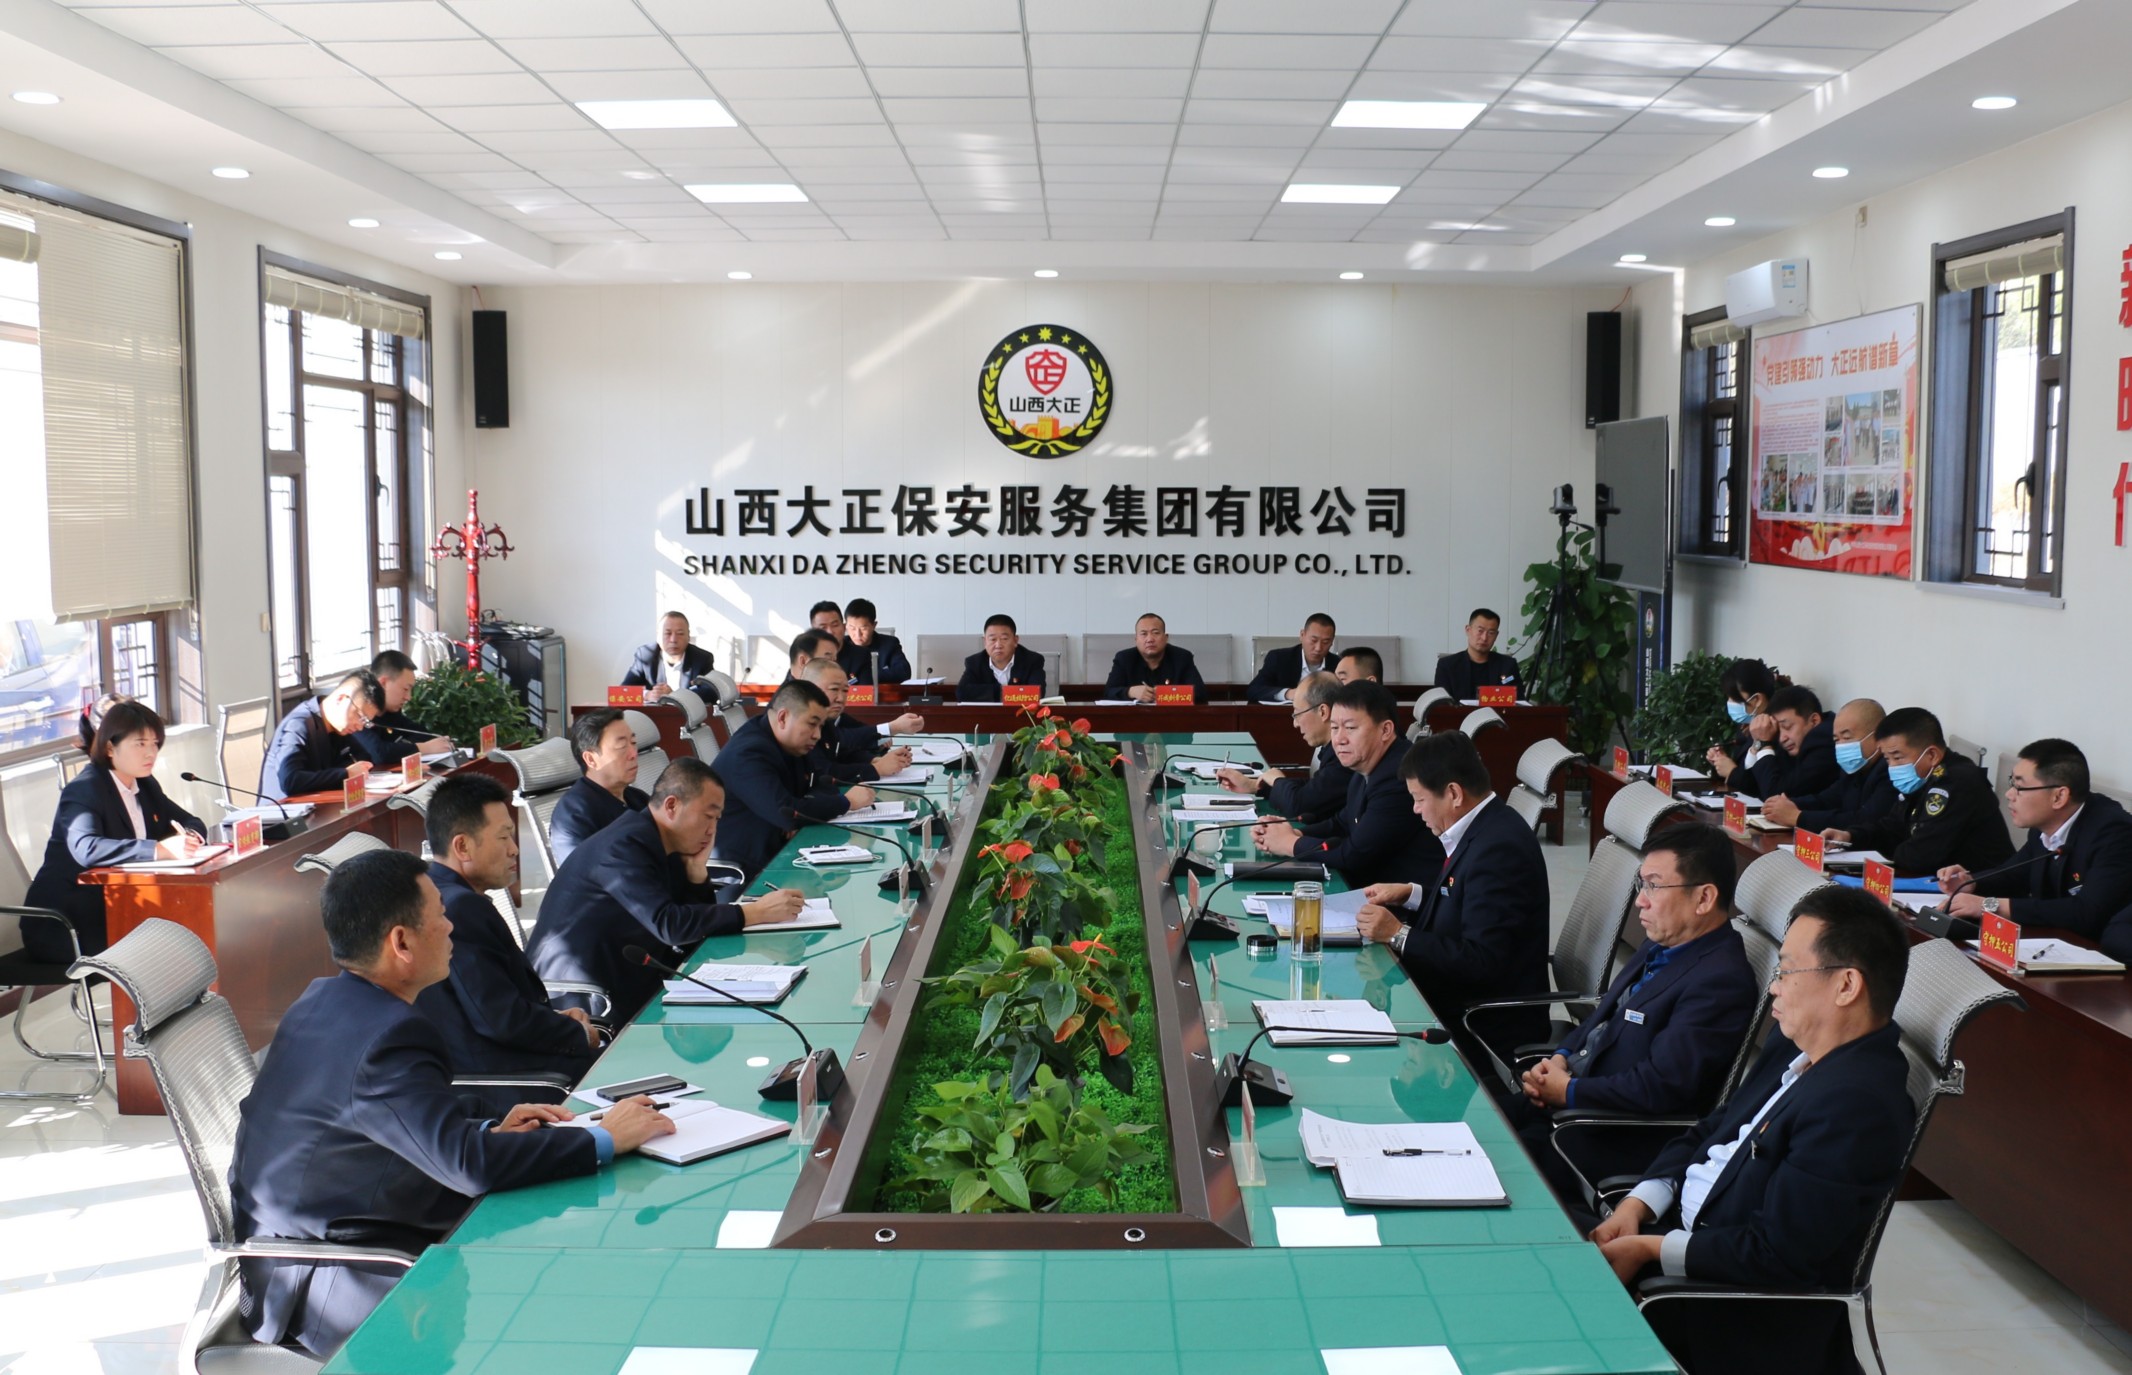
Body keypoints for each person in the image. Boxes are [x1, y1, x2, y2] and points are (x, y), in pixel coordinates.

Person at [228, 849, 674, 1359]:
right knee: (534, 1310)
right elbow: (468, 1168)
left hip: (341, 1225)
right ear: (401, 942)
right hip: (331, 1272)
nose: (450, 927)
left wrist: (485, 1129)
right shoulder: (388, 1034)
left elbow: (396, 1119)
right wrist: (605, 1138)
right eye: (440, 915)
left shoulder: (324, 1000)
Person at [1590, 886, 1914, 1374]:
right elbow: (1711, 1130)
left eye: (1786, 971)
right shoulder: (1795, 1044)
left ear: (1847, 986)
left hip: (1721, 1310)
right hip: (1677, 1239)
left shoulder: (1859, 1106)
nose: (1774, 988)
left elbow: (1776, 1255)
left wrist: (1648, 1248)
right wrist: (1638, 1204)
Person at [1518, 827, 1758, 1203]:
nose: (1639, 902)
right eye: (1641, 884)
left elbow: (1660, 1086)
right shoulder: (1662, 943)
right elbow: (1602, 1018)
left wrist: (1569, 1091)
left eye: (1654, 886)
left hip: (1611, 1133)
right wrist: (1561, 1057)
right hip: (1576, 1100)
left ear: (1704, 898)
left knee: (1499, 1161)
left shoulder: (1720, 981)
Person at [529, 757, 804, 1021]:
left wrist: (696, 872)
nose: (712, 830)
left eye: (717, 819)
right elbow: (670, 925)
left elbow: (689, 934)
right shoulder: (624, 846)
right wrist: (754, 913)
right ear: (671, 805)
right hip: (586, 993)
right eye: (708, 816)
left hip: (635, 972)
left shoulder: (661, 839)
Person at [1351, 731, 1548, 1049]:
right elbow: (1469, 904)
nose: (1415, 810)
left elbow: (1482, 961)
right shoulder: (1486, 825)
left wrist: (1398, 935)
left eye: (1419, 799)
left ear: (1454, 793)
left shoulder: (1499, 850)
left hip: (1482, 1021)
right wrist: (1411, 893)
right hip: (1454, 996)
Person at [413, 773, 600, 1084]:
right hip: (511, 1079)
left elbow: (490, 1003)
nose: (514, 849)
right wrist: (575, 1032)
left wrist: (554, 1018)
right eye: (503, 838)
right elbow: (498, 1020)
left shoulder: (438, 892)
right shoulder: (459, 908)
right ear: (462, 846)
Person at [23, 700, 206, 961]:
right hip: (67, 924)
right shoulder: (84, 789)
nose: (151, 753)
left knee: (191, 926)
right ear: (110, 747)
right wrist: (159, 850)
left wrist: (189, 838)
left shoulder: (146, 785)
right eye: (140, 744)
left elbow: (190, 820)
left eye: (155, 744)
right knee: (174, 939)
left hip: (121, 907)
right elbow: (87, 848)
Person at [1250, 681, 1441, 888]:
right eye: (1334, 728)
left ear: (1385, 730)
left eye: (1350, 728)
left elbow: (1354, 855)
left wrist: (1289, 843)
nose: (1339, 739)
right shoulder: (1365, 765)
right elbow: (1342, 823)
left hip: (1401, 899)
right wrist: (1295, 833)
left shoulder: (1400, 776)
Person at [1936, 738, 2132, 939]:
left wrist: (1989, 905)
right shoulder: (2045, 824)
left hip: (2099, 949)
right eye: (2012, 782)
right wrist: (1971, 882)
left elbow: (2087, 912)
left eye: (2019, 787)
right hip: (2054, 940)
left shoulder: (2115, 834)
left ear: (2058, 797)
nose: (2009, 794)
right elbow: (2015, 874)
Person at [711, 679, 875, 879]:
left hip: (782, 849)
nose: (817, 735)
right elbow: (787, 813)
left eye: (821, 726)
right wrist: (846, 802)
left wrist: (799, 817)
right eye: (812, 724)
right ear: (782, 718)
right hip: (747, 865)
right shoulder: (748, 753)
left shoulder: (789, 743)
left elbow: (819, 784)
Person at [1828, 707, 2014, 875]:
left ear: (1932, 755)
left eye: (1897, 757)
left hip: (1982, 889)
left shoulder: (1957, 783)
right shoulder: (1921, 776)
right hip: (1940, 882)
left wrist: (1889, 852)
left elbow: (1920, 856)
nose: (1892, 766)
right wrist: (1850, 836)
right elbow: (1892, 827)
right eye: (1887, 758)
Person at [1217, 672, 1348, 823]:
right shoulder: (1331, 750)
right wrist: (1254, 786)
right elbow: (1312, 789)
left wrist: (1278, 781)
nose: (1295, 724)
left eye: (1298, 714)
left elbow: (1299, 805)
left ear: (1323, 712)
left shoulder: (1345, 754)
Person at [1760, 698, 1896, 834]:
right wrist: (1787, 804)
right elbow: (1826, 800)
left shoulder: (1890, 771)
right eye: (1836, 740)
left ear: (1878, 737)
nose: (1841, 745)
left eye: (1847, 738)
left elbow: (1864, 820)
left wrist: (1797, 817)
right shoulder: (1853, 768)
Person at [548, 708, 647, 867]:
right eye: (622, 745)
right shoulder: (574, 815)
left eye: (633, 743)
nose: (634, 753)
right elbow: (585, 875)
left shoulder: (638, 798)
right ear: (591, 759)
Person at [261, 671, 381, 800]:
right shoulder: (299, 724)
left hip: (320, 804)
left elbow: (363, 758)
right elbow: (291, 780)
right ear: (341, 699)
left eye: (365, 722)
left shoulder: (338, 727)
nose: (360, 727)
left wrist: (349, 770)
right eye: (360, 716)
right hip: (285, 809)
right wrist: (345, 774)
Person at [798, 657, 914, 784]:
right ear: (810, 688)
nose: (841, 698)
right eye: (834, 689)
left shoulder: (825, 720)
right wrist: (877, 769)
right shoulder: (800, 724)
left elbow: (841, 753)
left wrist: (876, 761)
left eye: (845, 690)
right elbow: (824, 771)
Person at [1730, 685, 1839, 801]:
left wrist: (1763, 743)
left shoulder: (1824, 742)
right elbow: (1749, 787)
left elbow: (1775, 796)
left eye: (1787, 727)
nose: (1782, 738)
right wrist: (1756, 746)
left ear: (1814, 721)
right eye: (1778, 730)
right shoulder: (1790, 740)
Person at [352, 649, 455, 768]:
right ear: (383, 683)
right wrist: (423, 748)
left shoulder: (391, 712)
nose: (408, 697)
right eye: (405, 689)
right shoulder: (357, 712)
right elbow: (379, 753)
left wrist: (400, 746)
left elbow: (423, 734)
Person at [1703, 658, 1783, 787]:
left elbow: (1764, 788)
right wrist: (1721, 762)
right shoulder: (1746, 725)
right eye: (1728, 697)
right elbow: (1742, 770)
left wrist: (1732, 772)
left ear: (1757, 699)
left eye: (1734, 698)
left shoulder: (1778, 732)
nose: (1730, 703)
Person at [1104, 612, 1205, 703]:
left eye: (1156, 633)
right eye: (1144, 634)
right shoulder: (1124, 658)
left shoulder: (1182, 657)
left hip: (1172, 716)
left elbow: (1200, 693)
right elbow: (1108, 692)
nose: (1150, 639)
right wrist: (1130, 692)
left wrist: (1166, 693)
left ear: (1166, 638)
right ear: (1136, 639)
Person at [620, 610, 717, 701]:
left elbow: (712, 692)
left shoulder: (702, 658)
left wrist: (675, 695)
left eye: (680, 633)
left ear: (688, 636)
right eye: (667, 633)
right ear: (658, 636)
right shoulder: (645, 655)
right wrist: (647, 695)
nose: (673, 640)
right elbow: (622, 692)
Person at [1432, 608, 1521, 700]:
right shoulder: (1447, 666)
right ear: (1468, 630)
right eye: (1480, 631)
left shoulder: (1508, 665)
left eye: (1491, 633)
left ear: (1496, 636)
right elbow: (1442, 703)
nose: (1484, 638)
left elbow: (1518, 699)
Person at [1247, 614, 1337, 703]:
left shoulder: (1338, 664)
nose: (1318, 648)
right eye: (1314, 640)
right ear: (1302, 635)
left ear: (1332, 641)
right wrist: (1288, 693)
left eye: (1325, 642)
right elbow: (1253, 690)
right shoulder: (1279, 659)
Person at [957, 614, 1046, 701]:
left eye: (1004, 639)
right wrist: (1002, 692)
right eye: (993, 639)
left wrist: (992, 693)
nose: (998, 645)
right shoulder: (974, 662)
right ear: (985, 642)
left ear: (1015, 640)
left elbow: (1037, 693)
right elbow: (962, 692)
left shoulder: (1032, 660)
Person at [836, 597, 911, 685]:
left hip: (881, 693)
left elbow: (903, 671)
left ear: (874, 625)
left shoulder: (889, 644)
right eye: (852, 628)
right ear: (845, 626)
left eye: (863, 628)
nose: (857, 634)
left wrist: (864, 676)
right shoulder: (840, 646)